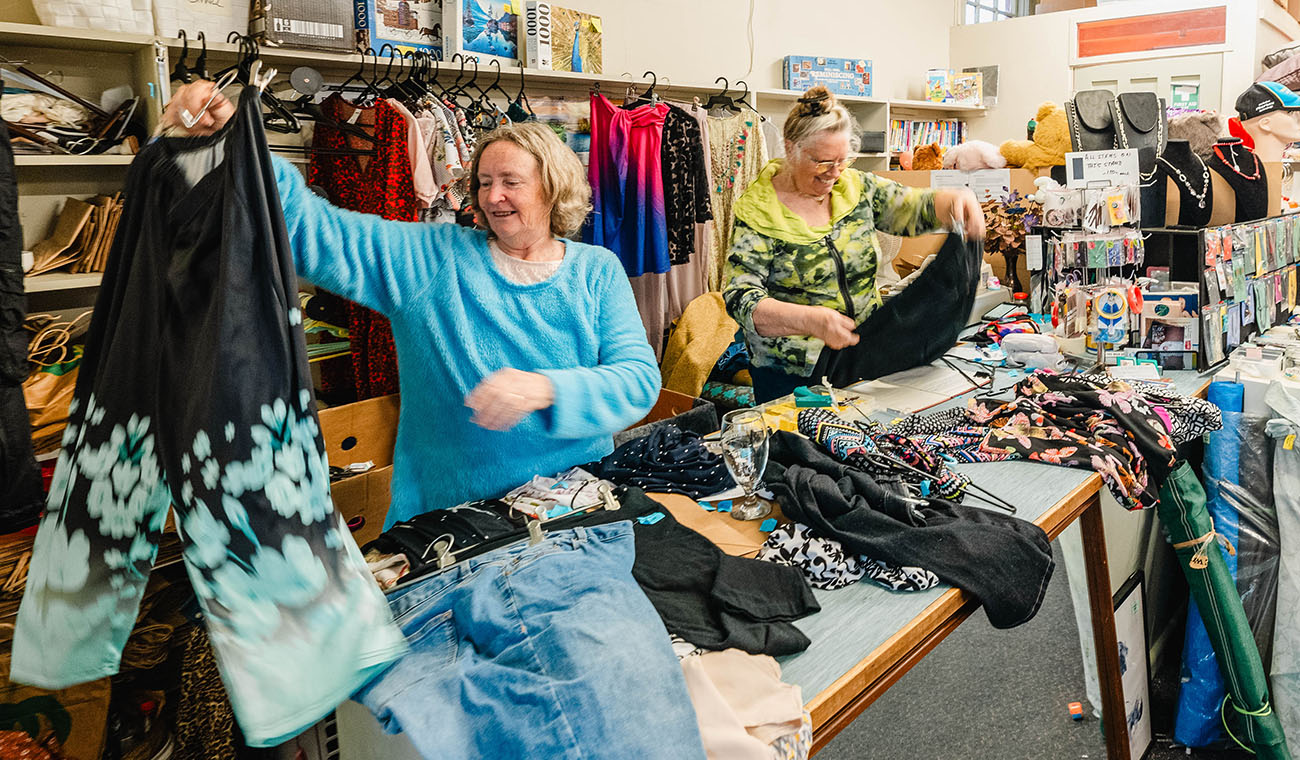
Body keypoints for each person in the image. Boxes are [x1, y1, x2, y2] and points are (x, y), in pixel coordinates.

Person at [162, 81, 660, 528]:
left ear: (552, 187)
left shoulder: (596, 269)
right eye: (484, 182)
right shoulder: (430, 259)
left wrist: (545, 388)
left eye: (511, 181)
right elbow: (315, 231)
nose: (493, 197)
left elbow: (638, 381)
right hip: (453, 520)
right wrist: (229, 143)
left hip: (577, 505)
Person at [722, 85, 985, 402]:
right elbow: (740, 297)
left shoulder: (856, 187)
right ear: (790, 149)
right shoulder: (759, 211)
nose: (833, 174)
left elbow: (911, 207)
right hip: (790, 374)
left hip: (865, 356)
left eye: (842, 160)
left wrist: (955, 201)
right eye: (822, 162)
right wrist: (810, 321)